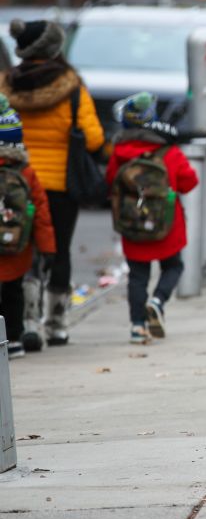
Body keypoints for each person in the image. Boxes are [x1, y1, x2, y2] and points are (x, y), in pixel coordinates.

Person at [1, 19, 105, 347]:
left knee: (22, 249)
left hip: (15, 181)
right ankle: (57, 322)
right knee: (57, 250)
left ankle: (27, 319)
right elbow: (93, 138)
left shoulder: (7, 86)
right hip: (62, 184)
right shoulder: (72, 86)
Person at [105, 93, 198, 345]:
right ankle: (158, 300)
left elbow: (110, 181)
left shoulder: (119, 152)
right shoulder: (168, 150)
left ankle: (137, 326)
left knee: (137, 276)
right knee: (173, 266)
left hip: (132, 223)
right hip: (167, 224)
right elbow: (190, 182)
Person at [0, 97, 55, 358]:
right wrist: (48, 248)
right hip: (17, 248)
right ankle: (14, 339)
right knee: (14, 292)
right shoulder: (26, 173)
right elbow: (41, 213)